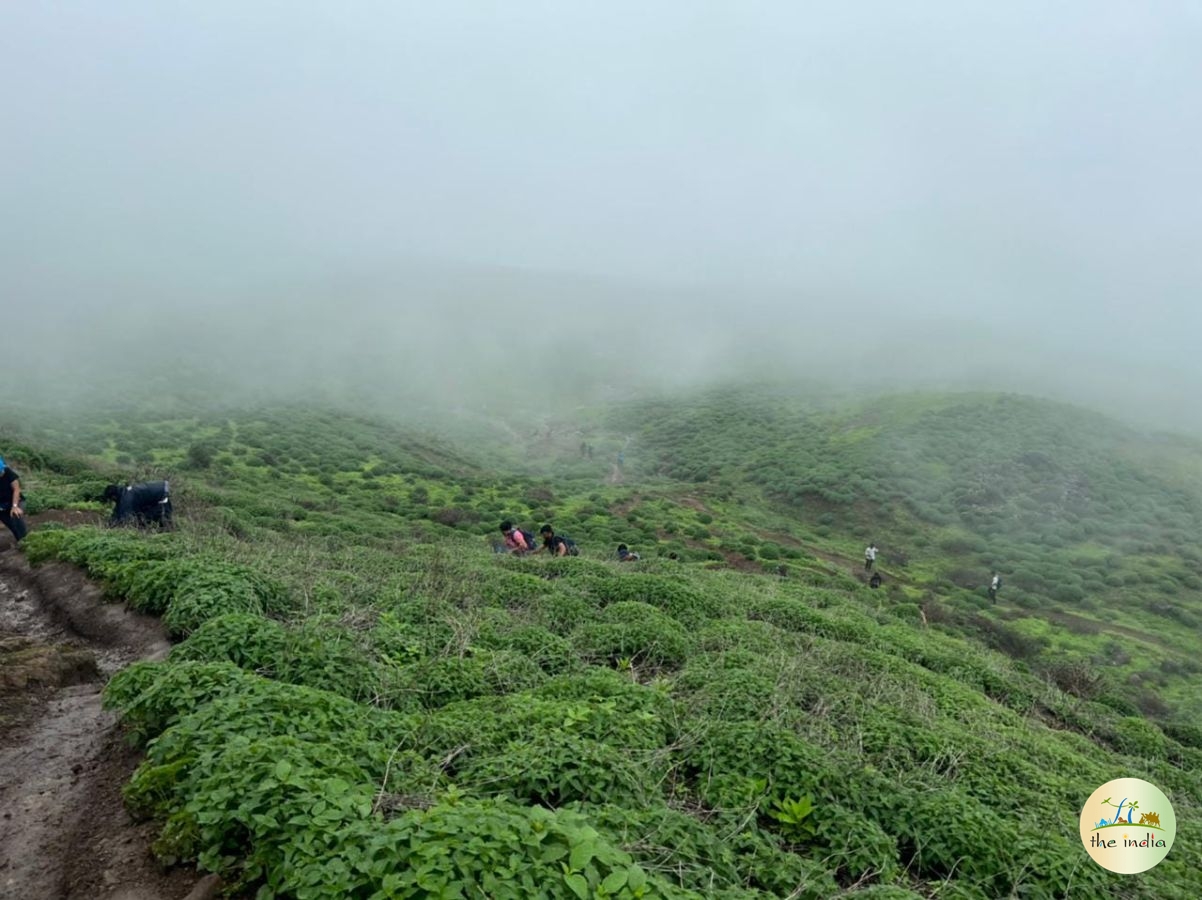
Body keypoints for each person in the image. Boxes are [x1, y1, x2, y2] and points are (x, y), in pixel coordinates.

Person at [104, 481, 173, 529]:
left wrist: (117, 526)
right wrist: (110, 523)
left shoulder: (127, 498)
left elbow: (127, 517)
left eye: (111, 499)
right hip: (157, 494)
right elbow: (118, 511)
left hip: (161, 498)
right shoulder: (123, 493)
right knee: (143, 517)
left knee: (161, 521)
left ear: (113, 497)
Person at [0, 456, 28, 545]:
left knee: (16, 516)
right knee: (11, 525)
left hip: (16, 501)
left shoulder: (8, 472)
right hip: (2, 506)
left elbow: (16, 489)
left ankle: (26, 541)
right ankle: (20, 542)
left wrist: (15, 506)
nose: (2, 473)